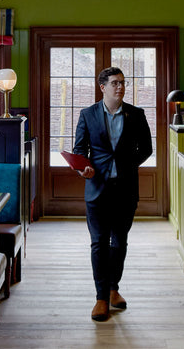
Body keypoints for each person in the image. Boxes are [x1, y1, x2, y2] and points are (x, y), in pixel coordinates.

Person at [73, 67, 153, 322]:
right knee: (99, 242)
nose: (120, 87)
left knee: (119, 242)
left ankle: (113, 288)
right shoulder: (87, 115)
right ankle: (100, 298)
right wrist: (83, 169)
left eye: (123, 83)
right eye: (115, 83)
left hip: (126, 189)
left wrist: (127, 165)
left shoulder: (136, 114)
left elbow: (147, 148)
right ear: (102, 87)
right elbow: (79, 151)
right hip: (97, 190)